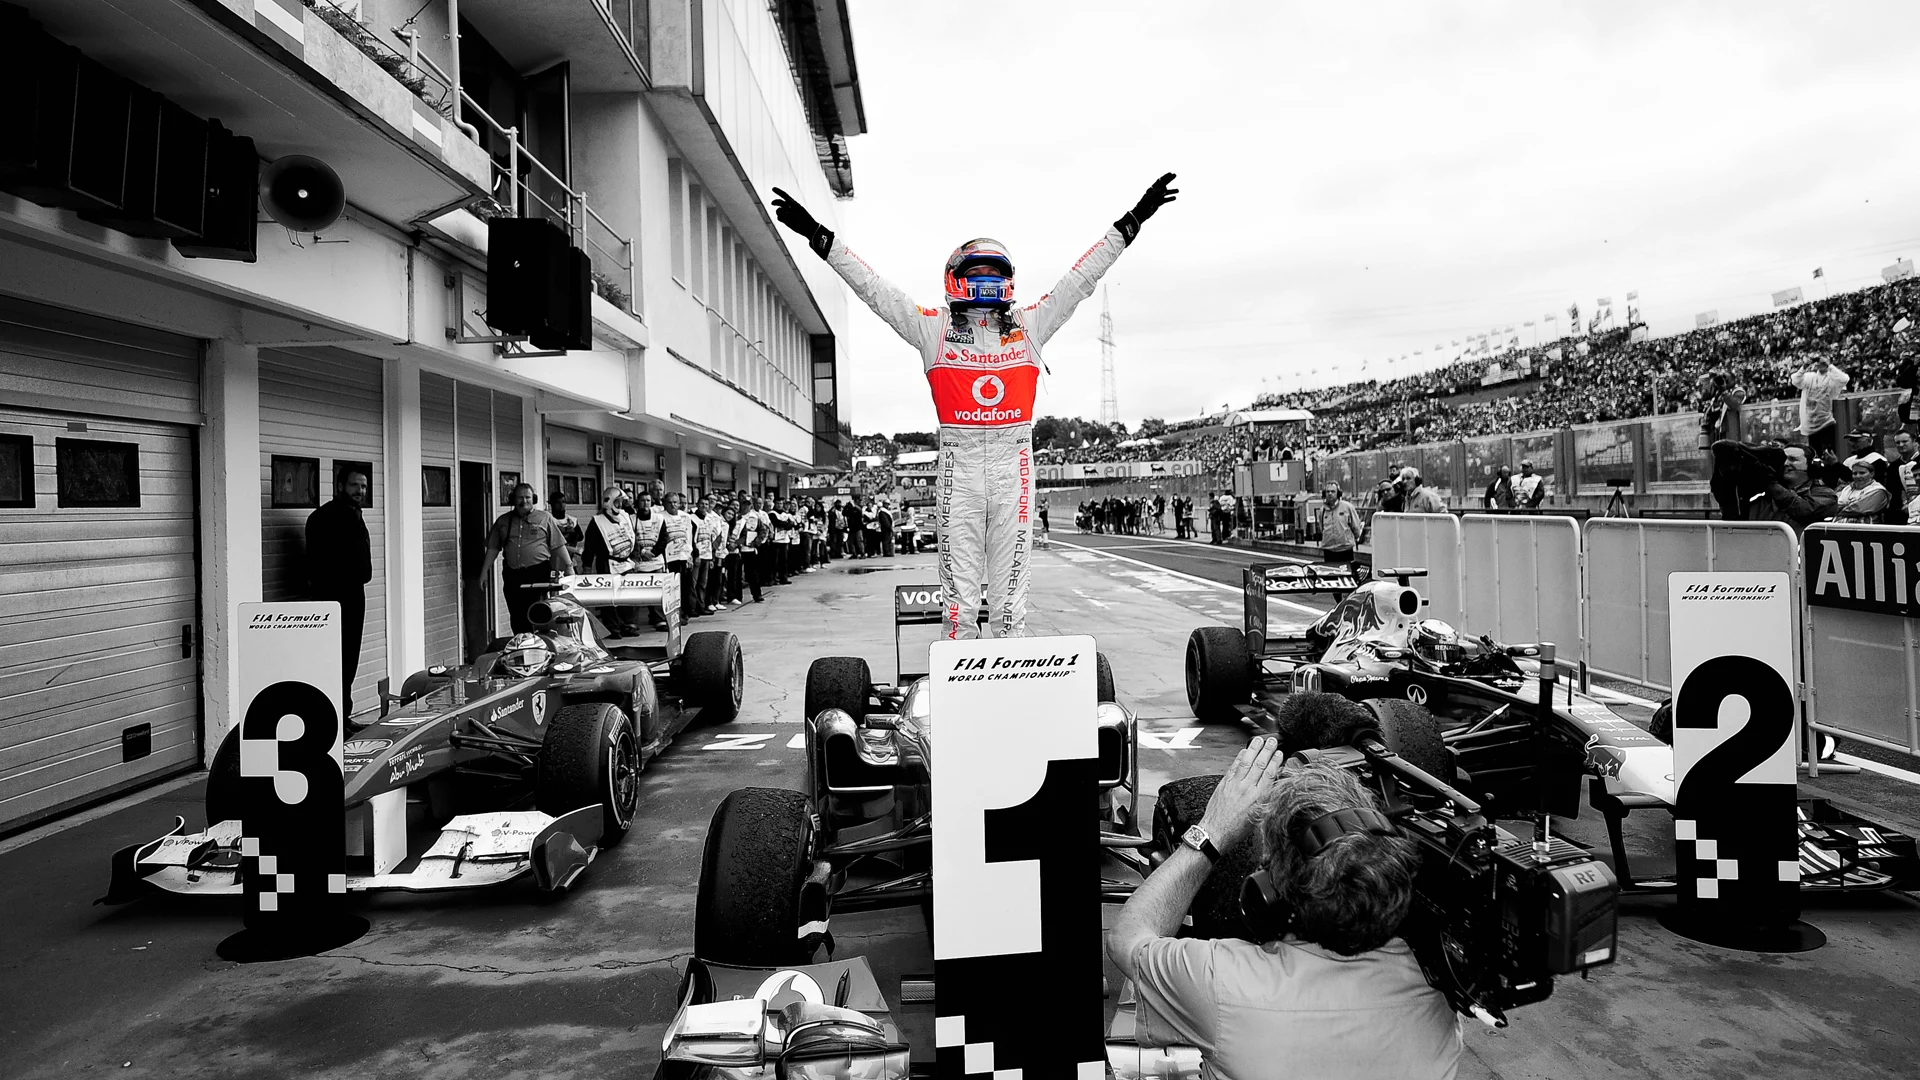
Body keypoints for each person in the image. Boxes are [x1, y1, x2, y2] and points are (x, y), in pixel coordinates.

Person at [772, 173, 1177, 639]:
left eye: (995, 273)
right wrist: (820, 237)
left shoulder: (1030, 325)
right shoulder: (933, 328)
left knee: (1009, 608)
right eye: (978, 272)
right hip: (958, 471)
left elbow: (1080, 280)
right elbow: (874, 289)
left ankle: (1012, 676)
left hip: (1013, 468)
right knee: (959, 611)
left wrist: (1131, 221)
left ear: (1008, 280)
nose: (987, 281)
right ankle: (958, 677)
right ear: (956, 278)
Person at [1108, 731, 1460, 1080]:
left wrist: (1212, 831)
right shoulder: (1441, 979)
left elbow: (1127, 939)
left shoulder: (1223, 983)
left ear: (1266, 892)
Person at [304, 467, 371, 717]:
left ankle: (344, 716)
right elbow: (318, 564)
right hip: (334, 598)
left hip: (355, 595)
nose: (360, 491)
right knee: (335, 661)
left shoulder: (355, 514)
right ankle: (334, 720)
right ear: (340, 485)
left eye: (363, 486)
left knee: (350, 660)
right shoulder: (325, 517)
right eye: (354, 485)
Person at [472, 483, 574, 634]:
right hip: (513, 575)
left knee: (538, 612)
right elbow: (493, 548)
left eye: (528, 497)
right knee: (517, 615)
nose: (524, 501)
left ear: (534, 499)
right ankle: (522, 642)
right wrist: (484, 572)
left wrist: (569, 566)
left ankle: (539, 642)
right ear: (513, 499)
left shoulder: (545, 518)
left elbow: (558, 544)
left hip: (538, 572)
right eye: (520, 497)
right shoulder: (503, 521)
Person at [583, 485, 639, 635]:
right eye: (617, 502)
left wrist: (635, 558)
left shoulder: (625, 516)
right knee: (610, 596)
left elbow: (634, 537)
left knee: (628, 594)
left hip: (626, 562)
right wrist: (587, 566)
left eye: (621, 502)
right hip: (607, 563)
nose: (620, 505)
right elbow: (589, 546)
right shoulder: (597, 522)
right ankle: (612, 626)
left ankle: (629, 624)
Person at [1743, 444, 1837, 531]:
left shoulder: (1826, 495)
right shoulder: (1764, 495)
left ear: (1811, 466)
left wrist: (1771, 484)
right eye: (1783, 459)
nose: (1785, 463)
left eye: (1793, 459)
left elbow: (1803, 509)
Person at [1790, 357, 1849, 459]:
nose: (1820, 365)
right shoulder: (1809, 377)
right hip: (1810, 423)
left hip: (1826, 422)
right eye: (1819, 363)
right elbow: (1796, 381)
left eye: (1823, 363)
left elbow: (1844, 379)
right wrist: (1804, 367)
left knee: (1828, 454)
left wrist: (1829, 366)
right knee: (1814, 454)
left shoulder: (1832, 378)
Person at [654, 492, 697, 617]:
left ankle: (685, 611)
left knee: (685, 586)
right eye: (669, 502)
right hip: (669, 558)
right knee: (671, 588)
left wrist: (690, 556)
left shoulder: (686, 517)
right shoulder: (659, 517)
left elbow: (689, 537)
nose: (673, 505)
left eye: (675, 502)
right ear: (664, 503)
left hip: (683, 556)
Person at [1834, 454, 1892, 524]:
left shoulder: (1879, 490)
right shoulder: (1847, 488)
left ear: (1872, 474)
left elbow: (1859, 509)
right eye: (1855, 473)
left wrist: (1841, 509)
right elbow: (1836, 506)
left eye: (1862, 473)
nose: (1858, 476)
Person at [1314, 485, 1363, 568]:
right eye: (1328, 491)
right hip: (1329, 551)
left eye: (1333, 491)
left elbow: (1356, 526)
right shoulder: (1323, 510)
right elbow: (1322, 527)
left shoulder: (1347, 507)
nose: (1330, 494)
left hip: (1345, 550)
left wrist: (1353, 539)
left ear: (1338, 493)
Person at [692, 496, 722, 617]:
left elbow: (713, 538)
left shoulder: (710, 519)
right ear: (697, 504)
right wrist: (695, 555)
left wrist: (712, 556)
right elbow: (691, 539)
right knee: (693, 583)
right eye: (702, 504)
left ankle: (701, 606)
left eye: (706, 504)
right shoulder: (691, 518)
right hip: (696, 555)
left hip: (707, 555)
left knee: (703, 583)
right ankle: (692, 607)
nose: (704, 506)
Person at [731, 497, 766, 603]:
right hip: (736, 550)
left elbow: (762, 531)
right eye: (744, 504)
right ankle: (736, 596)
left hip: (750, 549)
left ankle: (757, 595)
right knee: (736, 574)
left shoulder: (755, 518)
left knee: (753, 574)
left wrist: (756, 542)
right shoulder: (735, 517)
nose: (745, 507)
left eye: (748, 504)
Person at [551, 493, 585, 569]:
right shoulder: (549, 521)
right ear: (552, 504)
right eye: (558, 502)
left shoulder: (572, 520)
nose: (561, 505)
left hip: (571, 561)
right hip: (554, 562)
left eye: (563, 502)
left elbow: (581, 537)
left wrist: (573, 531)